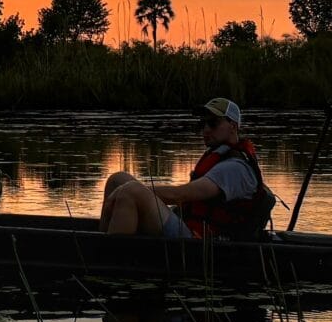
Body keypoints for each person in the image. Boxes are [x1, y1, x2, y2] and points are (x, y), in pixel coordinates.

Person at [100, 97, 277, 238]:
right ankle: (101, 239)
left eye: (213, 123)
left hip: (200, 239)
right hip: (187, 224)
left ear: (233, 126)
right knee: (118, 179)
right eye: (202, 124)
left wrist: (125, 192)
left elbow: (180, 195)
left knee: (129, 191)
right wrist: (122, 190)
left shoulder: (235, 168)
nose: (206, 130)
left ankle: (110, 258)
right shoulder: (220, 155)